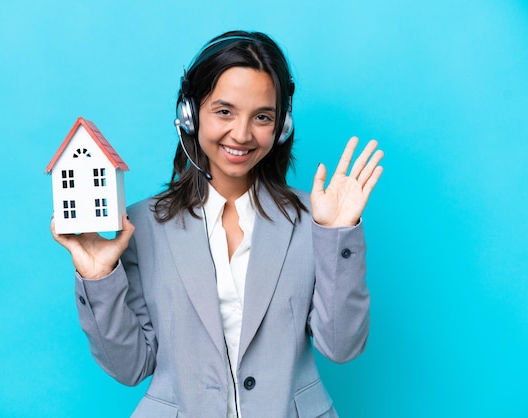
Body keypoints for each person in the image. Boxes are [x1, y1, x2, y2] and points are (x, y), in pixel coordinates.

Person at [52, 30, 383, 418]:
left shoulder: (314, 218)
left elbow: (340, 348)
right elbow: (130, 367)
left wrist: (337, 236)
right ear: (189, 115)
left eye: (262, 117)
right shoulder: (143, 224)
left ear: (283, 126)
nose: (241, 135)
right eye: (224, 111)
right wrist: (98, 278)